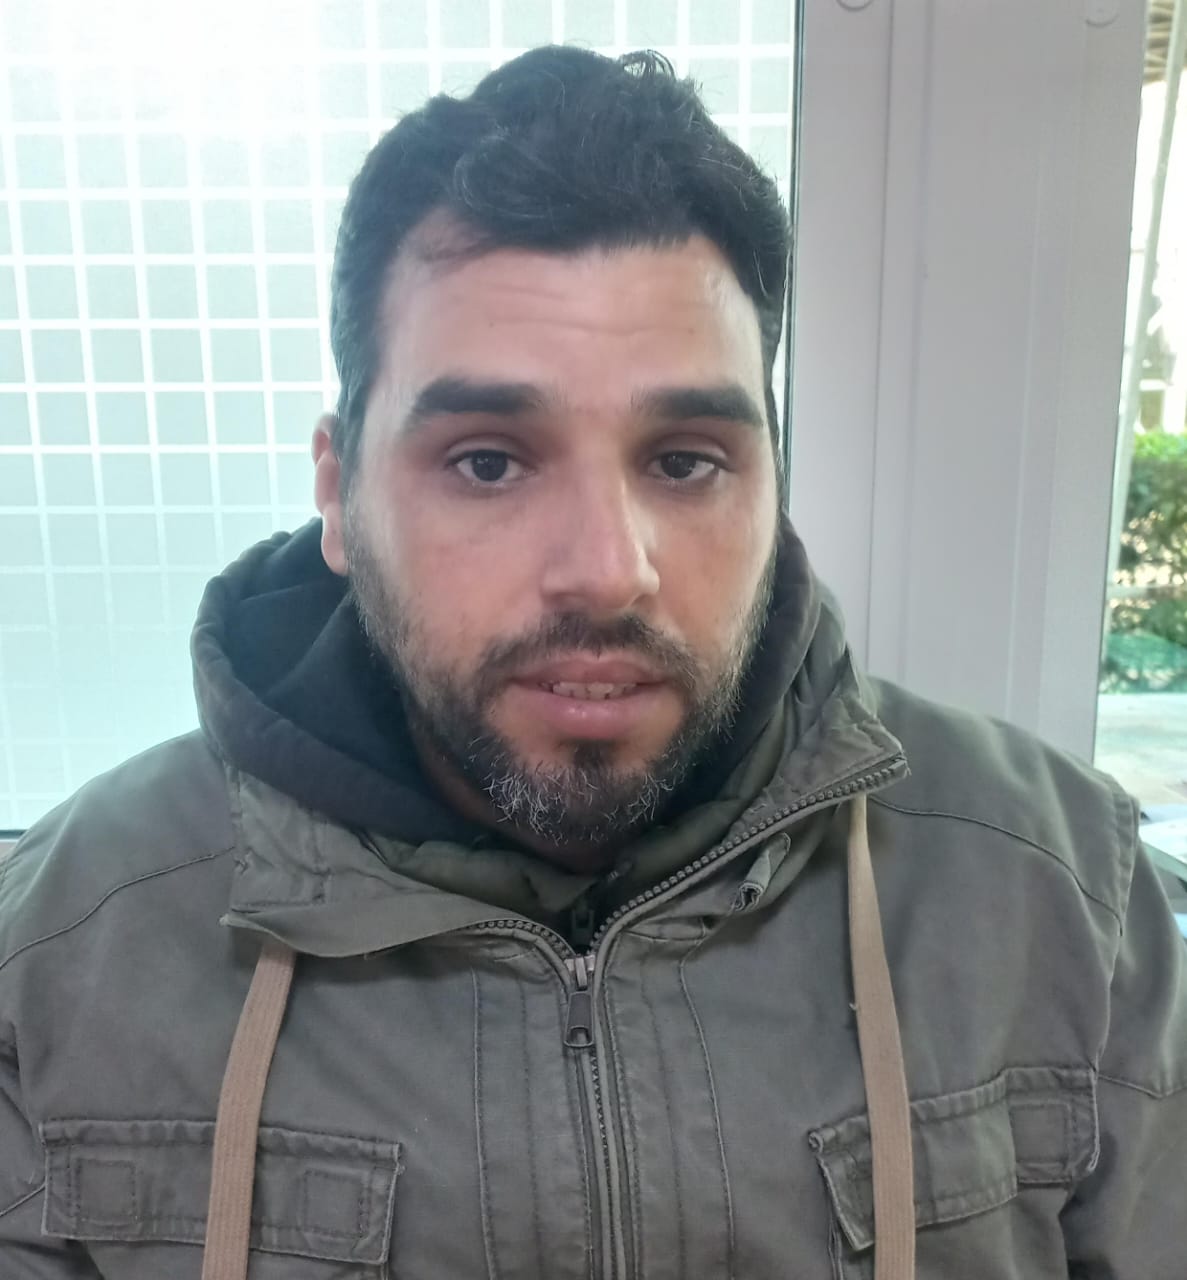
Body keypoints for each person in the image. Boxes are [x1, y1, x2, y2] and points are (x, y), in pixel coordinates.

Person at [0, 45, 1183, 1280]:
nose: (608, 569)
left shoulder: (1061, 892)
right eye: (487, 461)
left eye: (683, 461)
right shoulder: (66, 943)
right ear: (340, 494)